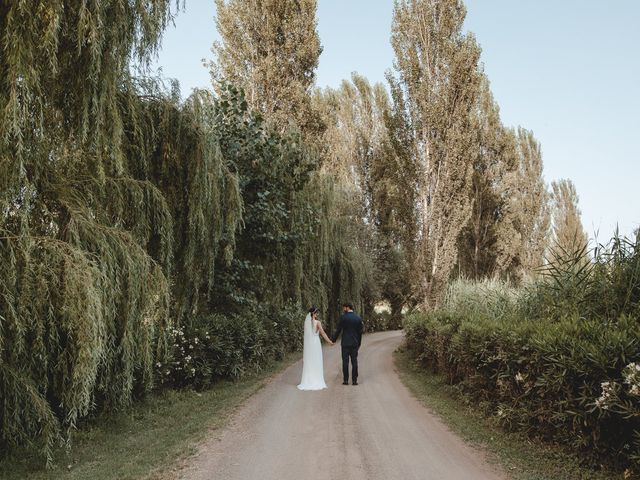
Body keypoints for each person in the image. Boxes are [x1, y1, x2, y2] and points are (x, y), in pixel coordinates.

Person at [297, 306, 334, 391]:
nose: (317, 314)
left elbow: (306, 336)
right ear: (313, 313)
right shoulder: (317, 322)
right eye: (317, 312)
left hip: (309, 344)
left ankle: (308, 380)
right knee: (316, 360)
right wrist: (329, 341)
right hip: (316, 343)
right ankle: (316, 379)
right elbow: (323, 333)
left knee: (310, 361)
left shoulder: (307, 323)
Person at [332, 302, 363, 385]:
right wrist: (359, 343)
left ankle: (345, 380)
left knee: (345, 362)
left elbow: (338, 330)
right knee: (354, 361)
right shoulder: (358, 318)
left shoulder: (343, 317)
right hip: (354, 343)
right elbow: (360, 333)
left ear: (347, 308)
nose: (343, 310)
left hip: (345, 343)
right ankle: (354, 380)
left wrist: (333, 340)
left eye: (344, 308)